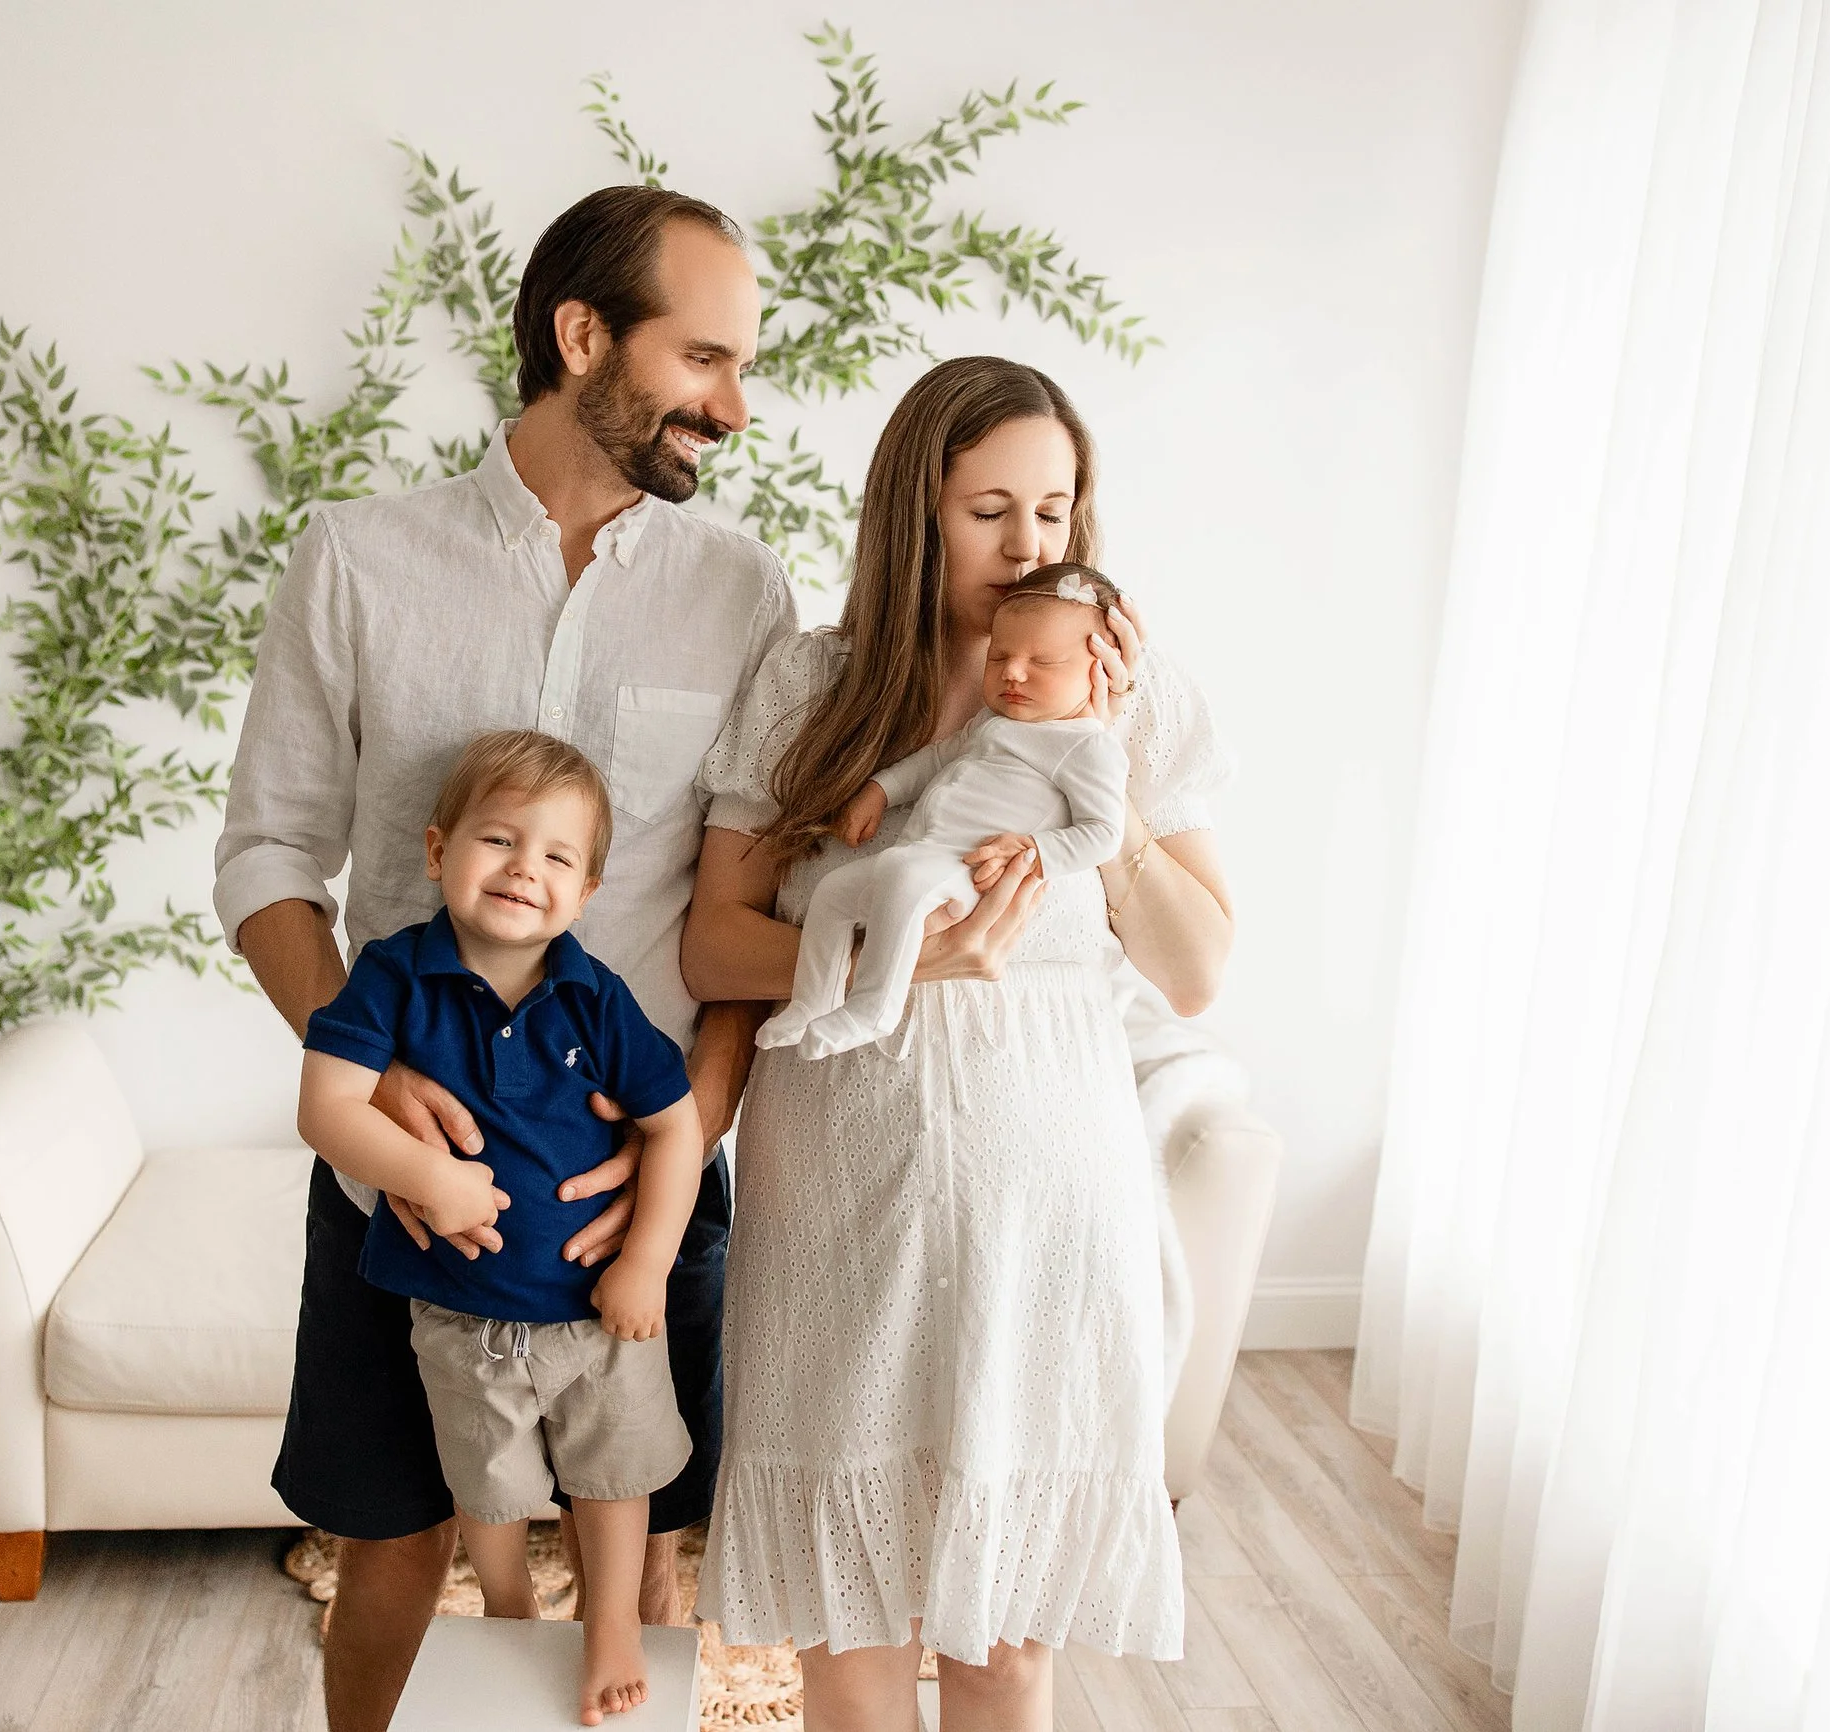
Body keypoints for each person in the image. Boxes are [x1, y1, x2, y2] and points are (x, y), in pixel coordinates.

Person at [212, 183, 795, 1732]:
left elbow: (745, 914)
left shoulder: (741, 592)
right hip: (396, 1189)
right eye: (705, 360)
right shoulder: (358, 559)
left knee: (643, 1554)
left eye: (741, 368)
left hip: (637, 1189)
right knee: (392, 1543)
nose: (734, 409)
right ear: (583, 335)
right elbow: (267, 858)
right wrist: (367, 1079)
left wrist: (686, 1142)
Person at [683, 356, 1236, 1732]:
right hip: (840, 1196)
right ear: (913, 514)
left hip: (1046, 1203)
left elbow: (1194, 971)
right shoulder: (814, 685)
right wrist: (903, 959)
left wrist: (1103, 770)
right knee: (850, 1630)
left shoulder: (1134, 697)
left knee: (1006, 1644)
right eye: (990, 511)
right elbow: (713, 946)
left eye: (1055, 511)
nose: (1029, 547)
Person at [297, 731, 708, 1725]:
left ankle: (611, 1622)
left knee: (615, 1473)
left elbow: (676, 1126)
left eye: (557, 856)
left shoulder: (598, 997)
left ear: (588, 889)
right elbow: (327, 1107)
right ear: (437, 851)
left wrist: (647, 1262)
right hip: (460, 1313)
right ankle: (509, 1600)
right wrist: (430, 1178)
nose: (526, 868)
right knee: (483, 1480)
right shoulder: (393, 976)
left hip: (598, 1313)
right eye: (498, 840)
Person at [757, 564, 1134, 1059]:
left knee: (900, 874)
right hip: (925, 855)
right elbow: (936, 759)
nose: (1013, 672)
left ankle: (873, 1008)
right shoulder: (992, 722)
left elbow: (1103, 832)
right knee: (834, 894)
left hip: (968, 870)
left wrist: (1035, 851)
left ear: (1099, 668)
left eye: (1043, 661)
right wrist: (879, 790)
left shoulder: (1086, 746)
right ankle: (810, 1002)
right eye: (999, 656)